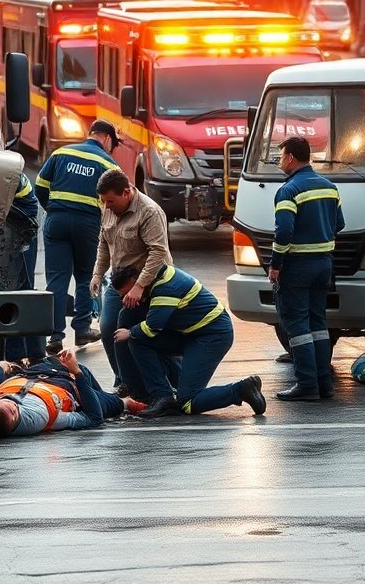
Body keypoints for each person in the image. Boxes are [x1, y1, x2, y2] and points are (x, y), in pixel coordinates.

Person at [112, 265, 265, 418]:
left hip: (212, 336)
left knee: (187, 402)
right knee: (138, 340)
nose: (127, 299)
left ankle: (242, 389)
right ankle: (163, 397)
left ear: (139, 282)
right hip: (190, 333)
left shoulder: (166, 288)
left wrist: (130, 332)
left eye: (128, 294)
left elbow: (153, 326)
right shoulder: (156, 277)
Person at [269, 136, 345, 402]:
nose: (280, 162)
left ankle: (307, 384)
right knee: (318, 324)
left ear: (290, 158)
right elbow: (339, 224)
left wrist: (275, 266)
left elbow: (284, 232)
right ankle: (324, 384)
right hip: (324, 265)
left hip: (297, 267)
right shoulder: (329, 187)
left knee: (297, 325)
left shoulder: (288, 191)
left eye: (281, 157)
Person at [35, 119, 119, 353]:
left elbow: (40, 186)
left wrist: (52, 209)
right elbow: (118, 200)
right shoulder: (108, 163)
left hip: (57, 221)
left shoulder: (60, 153)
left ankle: (54, 337)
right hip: (88, 225)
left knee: (57, 280)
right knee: (85, 276)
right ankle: (82, 329)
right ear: (107, 138)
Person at [90, 168, 174, 396]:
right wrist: (98, 274)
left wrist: (139, 287)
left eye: (110, 201)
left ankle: (164, 383)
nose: (107, 206)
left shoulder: (149, 212)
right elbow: (104, 243)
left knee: (148, 333)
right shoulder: (108, 208)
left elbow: (158, 253)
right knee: (109, 327)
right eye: (104, 201)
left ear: (126, 193)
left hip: (149, 284)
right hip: (120, 281)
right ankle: (124, 380)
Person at [0, 349, 142, 443]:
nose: (8, 402)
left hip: (40, 370)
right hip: (72, 384)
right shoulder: (40, 417)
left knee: (55, 360)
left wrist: (1, 367)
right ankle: (129, 403)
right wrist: (76, 371)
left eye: (1, 400)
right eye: (10, 408)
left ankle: (112, 396)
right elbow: (94, 418)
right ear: (14, 414)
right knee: (120, 403)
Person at [4, 172, 44, 363]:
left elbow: (31, 206)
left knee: (21, 291)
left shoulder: (9, 174)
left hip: (20, 232)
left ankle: (30, 357)